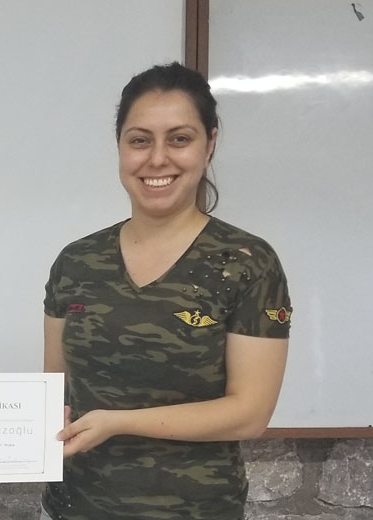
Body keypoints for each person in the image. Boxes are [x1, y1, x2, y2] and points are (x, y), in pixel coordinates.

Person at [41, 62, 291, 520]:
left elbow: (250, 413)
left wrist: (118, 422)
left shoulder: (247, 263)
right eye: (139, 140)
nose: (157, 159)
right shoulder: (76, 262)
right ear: (120, 146)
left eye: (179, 139)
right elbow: (54, 394)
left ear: (209, 145)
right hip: (73, 507)